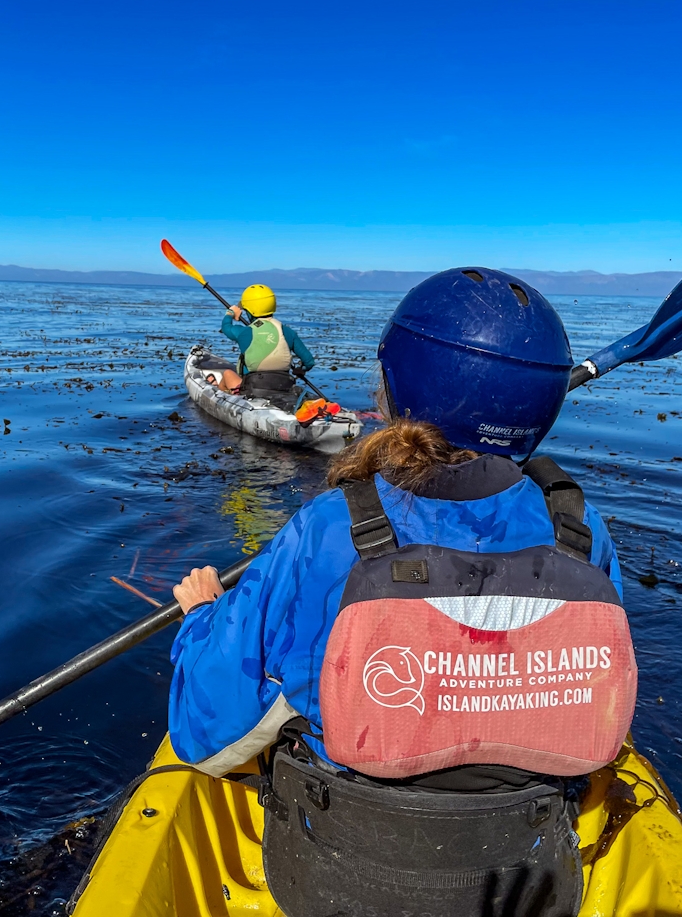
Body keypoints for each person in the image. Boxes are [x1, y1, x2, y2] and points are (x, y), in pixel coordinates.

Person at [168, 267, 637, 917]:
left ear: (395, 388)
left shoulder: (329, 531)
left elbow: (206, 736)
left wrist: (200, 620)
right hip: (529, 879)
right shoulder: (579, 532)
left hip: (331, 880)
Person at [210, 283, 315, 394]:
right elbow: (309, 362)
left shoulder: (244, 332)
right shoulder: (287, 332)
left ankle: (223, 394)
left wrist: (230, 313)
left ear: (250, 312)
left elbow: (226, 327)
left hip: (252, 388)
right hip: (284, 386)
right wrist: (300, 370)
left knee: (227, 374)